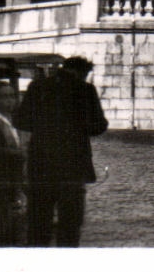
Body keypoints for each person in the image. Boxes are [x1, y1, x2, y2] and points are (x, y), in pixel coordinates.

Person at [14, 56, 107, 247]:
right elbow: (99, 125)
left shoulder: (37, 87)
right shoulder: (85, 90)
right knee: (70, 225)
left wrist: (43, 126)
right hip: (73, 167)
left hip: (41, 165)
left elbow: (20, 121)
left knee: (38, 223)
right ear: (82, 72)